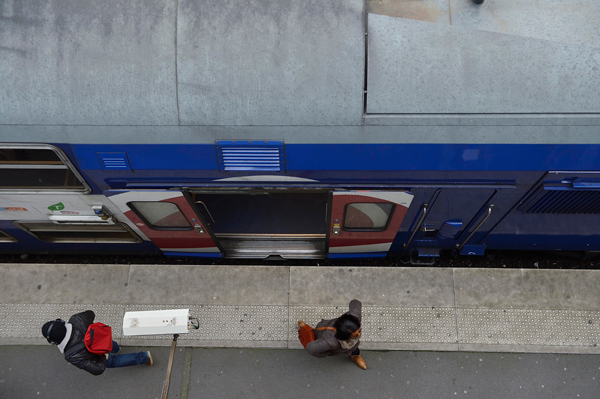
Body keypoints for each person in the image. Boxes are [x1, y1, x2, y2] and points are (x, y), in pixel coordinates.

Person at [41, 310, 153, 375]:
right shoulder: (76, 319)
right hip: (103, 338)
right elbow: (91, 313)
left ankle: (144, 357)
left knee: (114, 361)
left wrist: (104, 358)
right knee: (109, 344)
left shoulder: (71, 355)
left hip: (99, 354)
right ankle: (116, 348)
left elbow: (97, 369)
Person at [299, 299, 366, 370]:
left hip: (336, 329)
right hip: (323, 333)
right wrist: (328, 353)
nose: (359, 335)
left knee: (354, 345)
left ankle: (355, 356)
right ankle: (303, 326)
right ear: (344, 337)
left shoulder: (355, 318)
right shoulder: (330, 342)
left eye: (358, 331)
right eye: (354, 335)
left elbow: (355, 302)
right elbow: (311, 348)